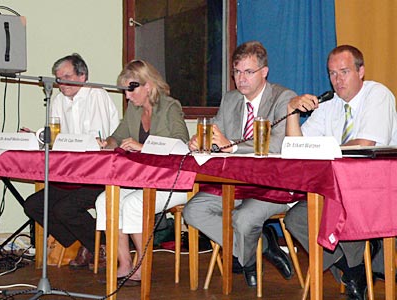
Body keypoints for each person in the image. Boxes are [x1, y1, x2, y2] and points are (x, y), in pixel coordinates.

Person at [284, 45, 397, 300]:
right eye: (332, 73)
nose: (338, 80)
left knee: (344, 213)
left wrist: (320, 148)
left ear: (361, 71)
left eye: (344, 72)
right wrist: (291, 112)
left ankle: (358, 263)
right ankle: (353, 268)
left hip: (374, 190)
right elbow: (296, 149)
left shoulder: (378, 95)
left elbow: (365, 145)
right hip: (333, 190)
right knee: (296, 219)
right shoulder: (328, 105)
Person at [182, 41, 296, 287]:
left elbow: (276, 145)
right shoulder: (231, 99)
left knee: (244, 220)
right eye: (237, 72)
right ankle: (262, 246)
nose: (241, 79)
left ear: (264, 72)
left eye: (248, 72)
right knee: (192, 211)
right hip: (234, 183)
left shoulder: (283, 98)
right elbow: (215, 135)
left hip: (270, 185)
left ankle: (247, 259)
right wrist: (201, 141)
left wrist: (230, 145)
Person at [95, 59, 189, 286]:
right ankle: (124, 262)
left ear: (148, 85)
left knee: (134, 204)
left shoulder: (170, 107)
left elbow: (181, 143)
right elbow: (116, 137)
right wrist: (104, 142)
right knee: (105, 200)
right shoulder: (134, 111)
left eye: (131, 89)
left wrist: (143, 147)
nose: (127, 96)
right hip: (143, 179)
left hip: (174, 179)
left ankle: (143, 264)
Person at [24, 53, 120, 270]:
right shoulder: (57, 100)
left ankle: (100, 245)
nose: (60, 83)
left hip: (99, 172)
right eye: (58, 78)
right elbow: (58, 141)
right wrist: (39, 136)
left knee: (64, 208)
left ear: (82, 76)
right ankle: (86, 243)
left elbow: (99, 139)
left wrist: (69, 143)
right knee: (34, 205)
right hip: (70, 172)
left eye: (66, 76)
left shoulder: (97, 94)